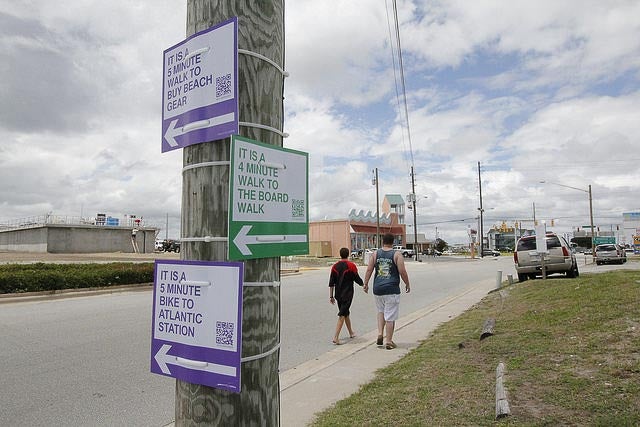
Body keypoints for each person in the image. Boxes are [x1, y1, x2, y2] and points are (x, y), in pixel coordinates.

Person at [363, 233, 411, 350]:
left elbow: (369, 269)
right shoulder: (397, 254)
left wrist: (365, 283)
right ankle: (389, 341)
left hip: (378, 289)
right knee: (390, 316)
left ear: (382, 241)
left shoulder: (375, 254)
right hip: (391, 289)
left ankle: (380, 333)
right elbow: (402, 271)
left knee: (381, 311)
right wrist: (407, 283)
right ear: (393, 242)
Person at [328, 247, 364, 345]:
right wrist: (363, 285)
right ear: (348, 254)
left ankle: (351, 332)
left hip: (338, 295)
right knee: (342, 314)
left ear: (340, 254)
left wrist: (331, 296)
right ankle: (336, 337)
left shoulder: (334, 267)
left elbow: (331, 283)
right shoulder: (351, 265)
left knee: (346, 313)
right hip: (348, 294)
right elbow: (357, 278)